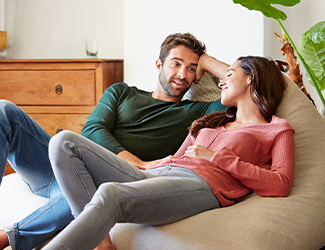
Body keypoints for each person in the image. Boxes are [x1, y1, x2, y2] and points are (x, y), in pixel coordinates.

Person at [0, 32, 227, 250]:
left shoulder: (197, 111)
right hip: (58, 163)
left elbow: (247, 92)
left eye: (191, 68)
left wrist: (206, 60)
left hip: (98, 181)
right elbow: (92, 130)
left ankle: (5, 238)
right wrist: (138, 162)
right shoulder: (121, 92)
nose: (182, 74)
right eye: (176, 63)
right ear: (159, 64)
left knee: (86, 191)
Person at [43, 55, 296, 250]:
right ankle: (102, 244)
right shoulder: (212, 120)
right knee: (63, 142)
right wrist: (146, 166)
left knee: (110, 192)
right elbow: (178, 157)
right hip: (161, 174)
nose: (221, 80)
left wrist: (218, 158)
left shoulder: (276, 129)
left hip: (202, 185)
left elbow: (281, 184)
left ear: (250, 78)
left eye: (229, 74)